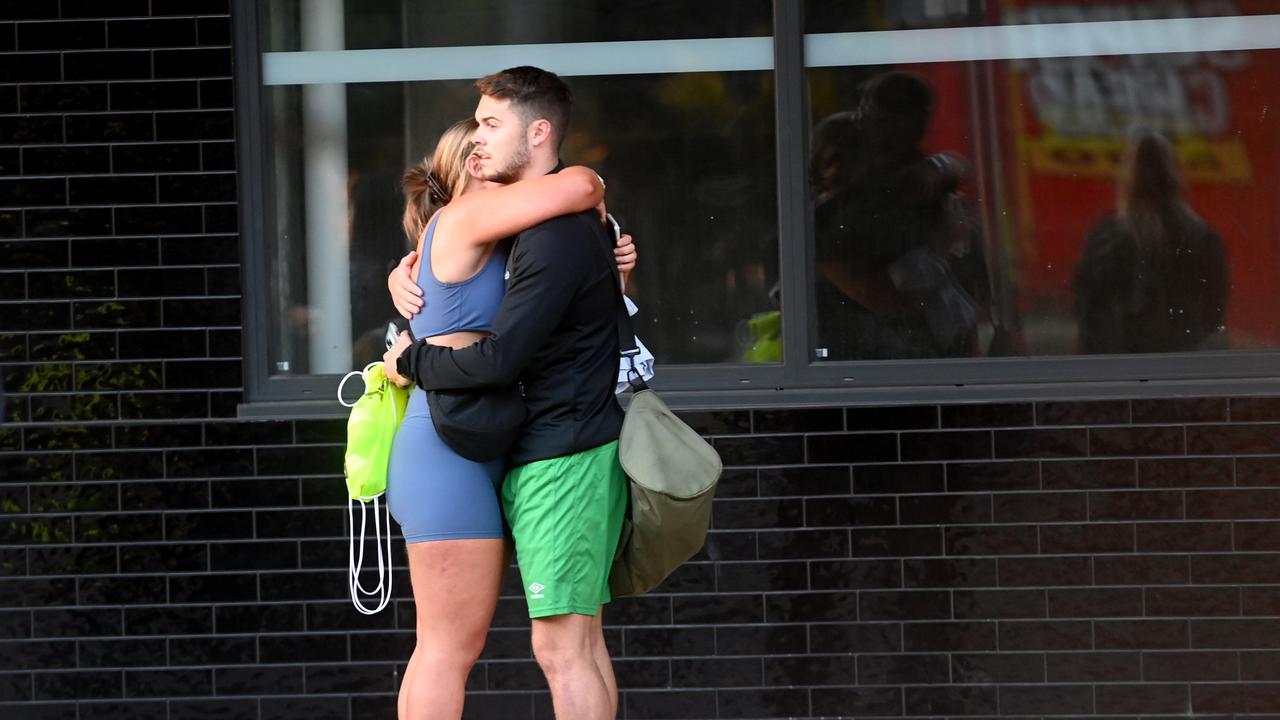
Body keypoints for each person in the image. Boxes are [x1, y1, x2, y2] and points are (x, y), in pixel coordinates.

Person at [386, 66, 627, 720]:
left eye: (494, 128)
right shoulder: (473, 216)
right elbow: (577, 182)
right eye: (479, 137)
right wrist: (595, 189)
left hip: (498, 442)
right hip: (448, 450)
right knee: (447, 648)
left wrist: (611, 256)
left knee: (553, 642)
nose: (485, 147)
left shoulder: (510, 241)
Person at [811, 71, 989, 360]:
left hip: (916, 357)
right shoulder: (831, 219)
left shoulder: (908, 183)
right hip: (869, 361)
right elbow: (886, 299)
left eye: (872, 115)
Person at [1073, 128, 1228, 353]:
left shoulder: (1106, 239)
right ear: (1174, 175)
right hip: (1183, 371)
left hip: (1121, 373)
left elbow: (1089, 319)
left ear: (1128, 178)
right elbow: (1212, 316)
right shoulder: (1203, 239)